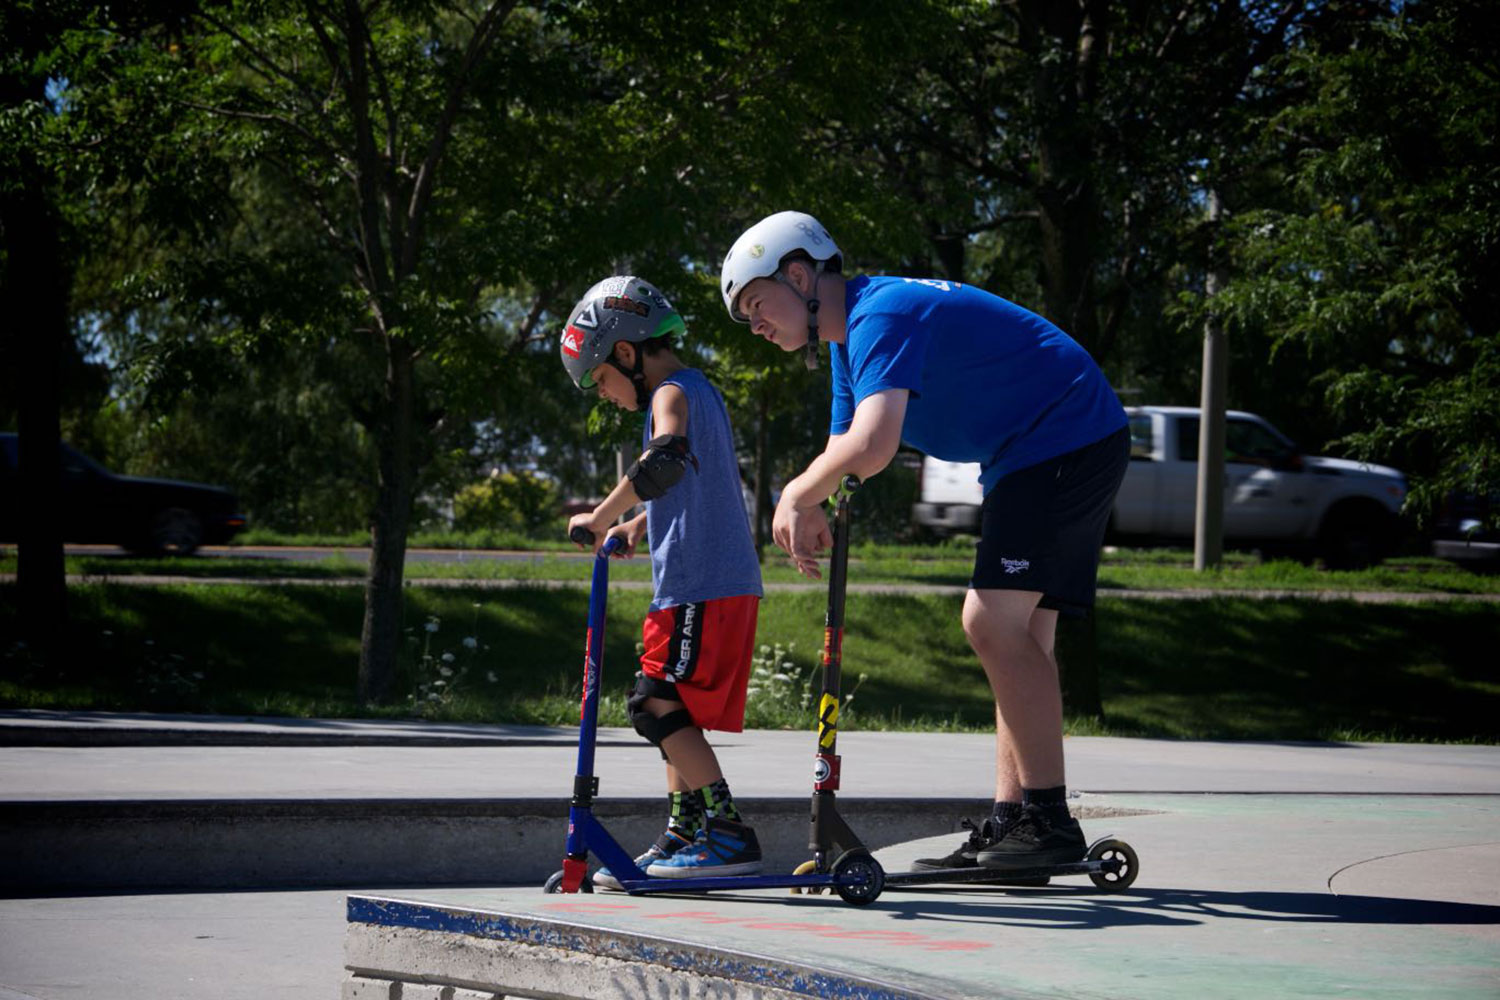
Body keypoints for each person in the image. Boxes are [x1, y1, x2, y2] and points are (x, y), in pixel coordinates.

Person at [719, 212, 1129, 873]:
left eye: (756, 305)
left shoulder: (880, 314)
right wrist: (820, 494)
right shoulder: (848, 342)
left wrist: (796, 493)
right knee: (1018, 638)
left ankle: (1050, 822)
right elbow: (845, 442)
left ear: (799, 276)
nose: (755, 325)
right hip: (1039, 449)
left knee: (991, 624)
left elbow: (875, 447)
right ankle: (1014, 820)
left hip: (1065, 437)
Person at [559, 274, 765, 887]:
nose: (604, 393)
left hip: (702, 584)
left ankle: (727, 834)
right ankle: (686, 831)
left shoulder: (669, 394)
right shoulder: (702, 390)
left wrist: (601, 518)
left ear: (625, 352)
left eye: (600, 378)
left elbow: (667, 458)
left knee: (651, 704)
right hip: (703, 582)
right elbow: (693, 485)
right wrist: (639, 526)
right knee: (673, 708)